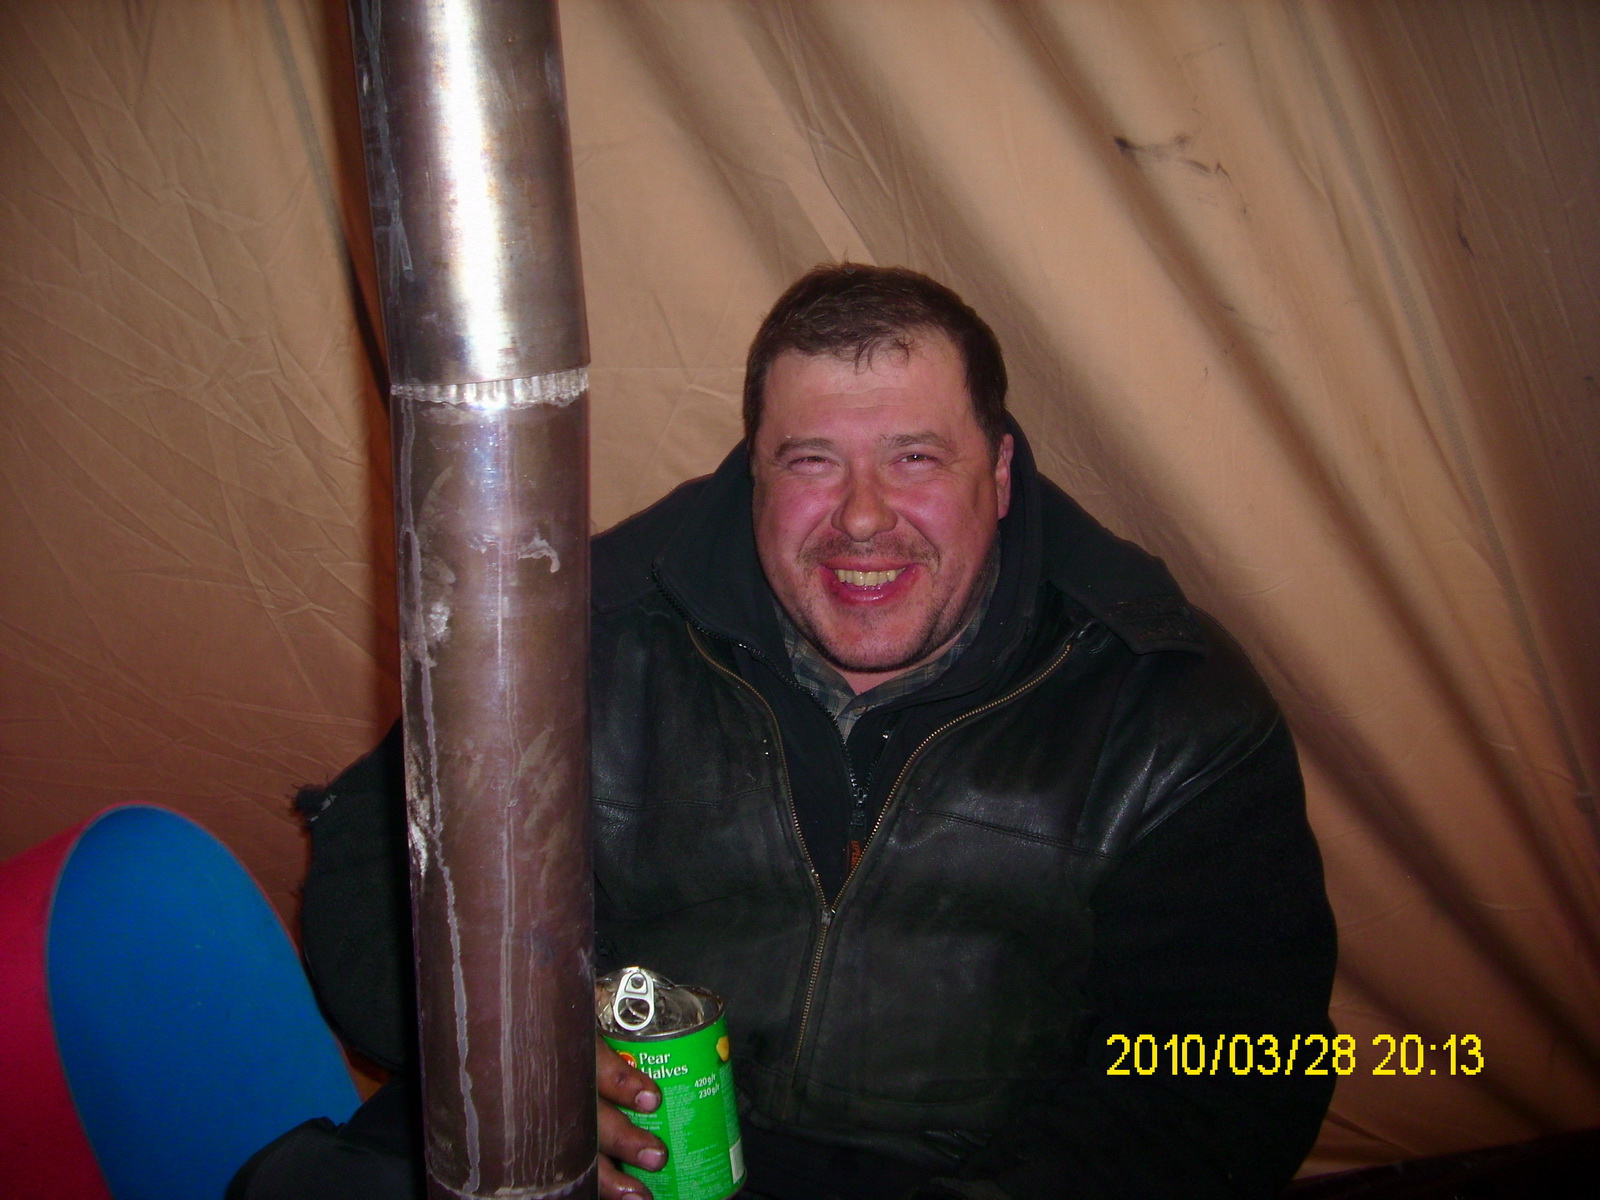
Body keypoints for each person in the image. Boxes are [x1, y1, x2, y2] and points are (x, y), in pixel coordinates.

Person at [268, 264, 1336, 1200]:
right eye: (812, 461)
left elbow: (1239, 1061)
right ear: (754, 475)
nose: (862, 517)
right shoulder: (575, 639)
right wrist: (517, 1065)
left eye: (915, 458)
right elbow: (376, 864)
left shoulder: (1165, 706)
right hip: (593, 1158)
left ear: (1001, 475)